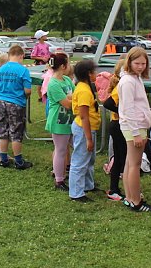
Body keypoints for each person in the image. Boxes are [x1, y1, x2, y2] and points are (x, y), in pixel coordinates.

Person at [118, 47, 151, 212]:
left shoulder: (134, 78)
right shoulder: (127, 82)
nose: (140, 66)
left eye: (143, 63)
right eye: (137, 63)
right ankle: (136, 200)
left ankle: (130, 197)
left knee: (129, 163)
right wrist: (136, 133)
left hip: (136, 126)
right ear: (129, 62)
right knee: (135, 165)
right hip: (134, 127)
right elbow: (128, 109)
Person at [0, 44, 33, 169]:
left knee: (2, 131)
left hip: (1, 102)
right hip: (16, 103)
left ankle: (3, 159)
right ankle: (19, 161)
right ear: (21, 55)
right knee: (16, 132)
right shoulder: (23, 70)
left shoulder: (1, 69)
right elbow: (27, 90)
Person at [68, 59, 100, 202]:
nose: (96, 74)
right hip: (84, 129)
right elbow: (84, 116)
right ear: (88, 74)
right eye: (94, 72)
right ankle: (76, 193)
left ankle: (88, 185)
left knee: (89, 159)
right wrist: (88, 138)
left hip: (88, 128)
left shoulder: (84, 87)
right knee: (80, 161)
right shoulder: (84, 91)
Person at [44, 52, 74, 190]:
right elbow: (67, 104)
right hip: (58, 121)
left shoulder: (67, 80)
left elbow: (76, 96)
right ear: (63, 66)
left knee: (65, 149)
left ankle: (63, 174)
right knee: (61, 150)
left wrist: (70, 97)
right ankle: (59, 180)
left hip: (69, 120)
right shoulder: (53, 84)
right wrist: (70, 98)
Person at [102, 57, 127, 201]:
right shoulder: (120, 87)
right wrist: (123, 112)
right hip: (117, 125)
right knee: (119, 158)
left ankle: (117, 188)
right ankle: (113, 189)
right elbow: (108, 104)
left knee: (121, 157)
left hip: (119, 124)